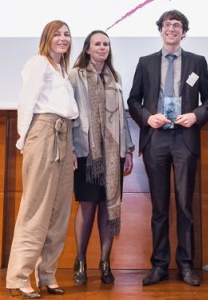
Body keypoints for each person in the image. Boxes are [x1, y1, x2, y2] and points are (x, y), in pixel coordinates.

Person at [127, 9, 208, 287]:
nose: (172, 29)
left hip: (184, 139)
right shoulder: (145, 63)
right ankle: (159, 265)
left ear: (184, 32)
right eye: (167, 24)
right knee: (160, 207)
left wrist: (196, 116)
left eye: (177, 25)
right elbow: (133, 101)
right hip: (156, 139)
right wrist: (147, 118)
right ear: (160, 30)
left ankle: (186, 265)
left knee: (185, 205)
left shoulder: (197, 62)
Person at [6, 20, 79, 299]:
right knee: (35, 209)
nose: (63, 38)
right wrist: (24, 140)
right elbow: (26, 103)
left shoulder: (63, 70)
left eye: (67, 34)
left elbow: (67, 110)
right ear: (46, 38)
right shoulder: (38, 63)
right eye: (57, 34)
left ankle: (47, 274)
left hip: (64, 135)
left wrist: (71, 150)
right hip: (44, 132)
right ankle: (19, 277)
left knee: (58, 213)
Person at [68, 30, 135, 285]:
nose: (102, 47)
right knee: (87, 204)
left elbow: (122, 116)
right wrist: (71, 149)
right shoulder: (75, 76)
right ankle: (80, 260)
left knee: (109, 205)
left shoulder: (114, 77)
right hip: (86, 151)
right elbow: (69, 114)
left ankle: (105, 262)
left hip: (113, 153)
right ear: (87, 49)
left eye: (106, 44)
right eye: (97, 44)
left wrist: (129, 149)